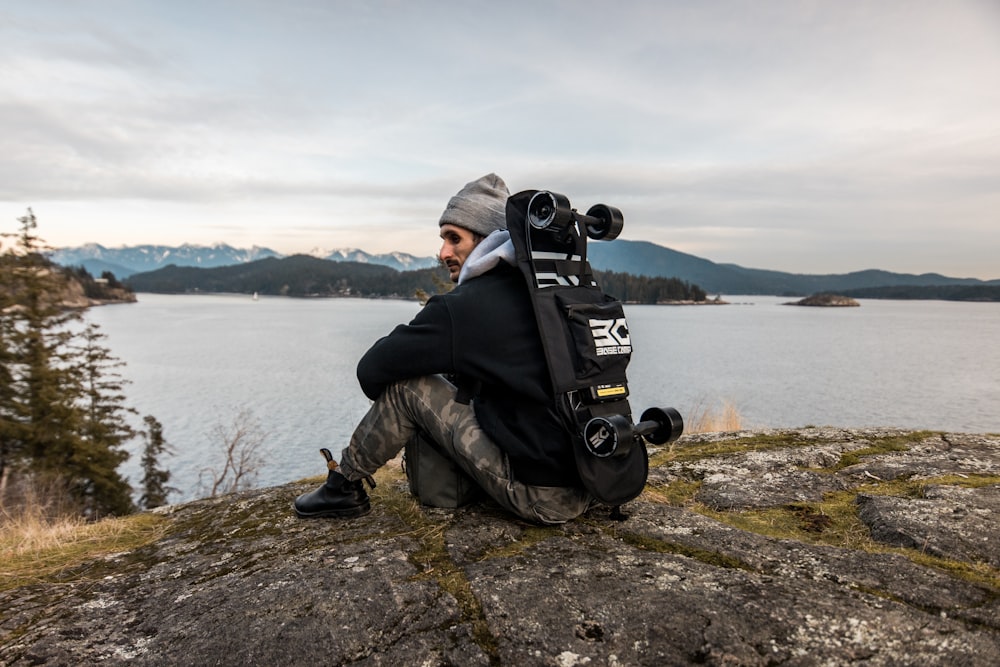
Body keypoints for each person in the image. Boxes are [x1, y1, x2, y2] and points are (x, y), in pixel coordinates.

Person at [293, 173, 593, 525]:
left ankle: (343, 486)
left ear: (489, 241)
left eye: (454, 238)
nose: (443, 252)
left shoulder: (468, 305)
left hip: (541, 496)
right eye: (443, 239)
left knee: (409, 388)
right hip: (593, 479)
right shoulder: (549, 293)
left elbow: (371, 371)